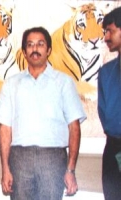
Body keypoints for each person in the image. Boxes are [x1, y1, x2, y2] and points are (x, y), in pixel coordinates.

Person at [0, 27, 86, 200]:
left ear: (48, 50)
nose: (35, 49)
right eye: (30, 45)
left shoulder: (64, 82)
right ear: (24, 52)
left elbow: (74, 128)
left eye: (40, 44)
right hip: (19, 158)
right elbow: (5, 129)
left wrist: (70, 170)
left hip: (53, 159)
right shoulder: (12, 84)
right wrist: (5, 168)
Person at [98, 6, 121, 200]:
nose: (106, 37)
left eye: (110, 31)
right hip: (114, 148)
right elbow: (104, 112)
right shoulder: (106, 72)